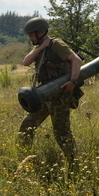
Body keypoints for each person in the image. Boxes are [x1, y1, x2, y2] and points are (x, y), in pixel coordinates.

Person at [18, 17, 82, 162]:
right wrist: (41, 47)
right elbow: (26, 62)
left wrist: (72, 81)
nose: (30, 38)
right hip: (44, 95)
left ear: (41, 32)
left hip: (60, 95)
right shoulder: (40, 46)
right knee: (27, 126)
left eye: (31, 35)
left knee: (62, 133)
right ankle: (22, 157)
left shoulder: (56, 44)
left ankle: (74, 162)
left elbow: (76, 60)